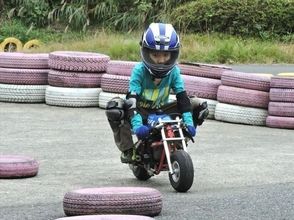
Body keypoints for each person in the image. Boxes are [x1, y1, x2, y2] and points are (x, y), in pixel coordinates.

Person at [106, 22, 209, 163]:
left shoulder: (174, 72)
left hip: (161, 110)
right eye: (155, 55)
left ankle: (179, 141)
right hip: (140, 111)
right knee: (114, 107)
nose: (161, 61)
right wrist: (137, 126)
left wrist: (189, 123)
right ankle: (129, 151)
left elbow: (182, 97)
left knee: (199, 105)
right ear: (146, 52)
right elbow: (132, 99)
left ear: (173, 54)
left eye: (165, 55)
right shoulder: (139, 71)